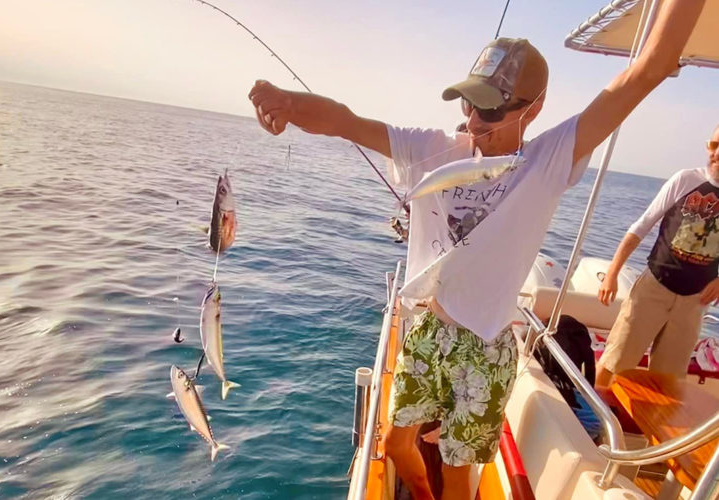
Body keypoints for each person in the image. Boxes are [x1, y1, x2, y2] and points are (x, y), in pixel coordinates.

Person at [247, 2, 705, 498]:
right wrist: (289, 104)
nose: (473, 118)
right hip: (427, 328)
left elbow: (647, 70)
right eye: (468, 103)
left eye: (491, 108)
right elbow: (346, 121)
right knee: (395, 444)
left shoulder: (548, 159)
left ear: (535, 106)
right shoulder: (430, 148)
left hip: (486, 349)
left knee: (458, 477)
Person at [596, 124, 719, 388]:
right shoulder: (685, 180)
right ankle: (587, 420)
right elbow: (641, 226)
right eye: (714, 145)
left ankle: (653, 428)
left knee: (668, 380)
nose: (717, 153)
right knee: (615, 360)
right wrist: (612, 274)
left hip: (694, 301)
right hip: (655, 285)